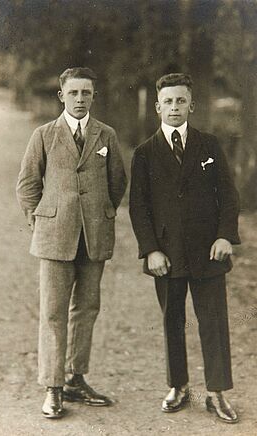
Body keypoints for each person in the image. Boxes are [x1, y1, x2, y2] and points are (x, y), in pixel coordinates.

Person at [129, 73, 240, 424]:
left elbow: (229, 195)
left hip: (209, 251)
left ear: (191, 105)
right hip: (167, 252)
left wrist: (225, 236)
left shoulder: (209, 145)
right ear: (157, 106)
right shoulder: (145, 153)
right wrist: (150, 249)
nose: (174, 107)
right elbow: (139, 207)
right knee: (172, 320)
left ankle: (216, 392)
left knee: (213, 320)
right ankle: (178, 385)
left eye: (181, 101)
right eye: (168, 101)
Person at [16, 67, 127, 418]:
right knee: (52, 313)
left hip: (93, 235)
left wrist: (102, 210)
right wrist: (38, 215)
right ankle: (53, 387)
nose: (80, 99)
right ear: (61, 96)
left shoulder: (106, 135)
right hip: (54, 236)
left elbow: (117, 181)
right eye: (74, 93)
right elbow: (28, 183)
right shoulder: (45, 135)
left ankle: (76, 378)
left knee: (87, 309)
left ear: (94, 97)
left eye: (87, 93)